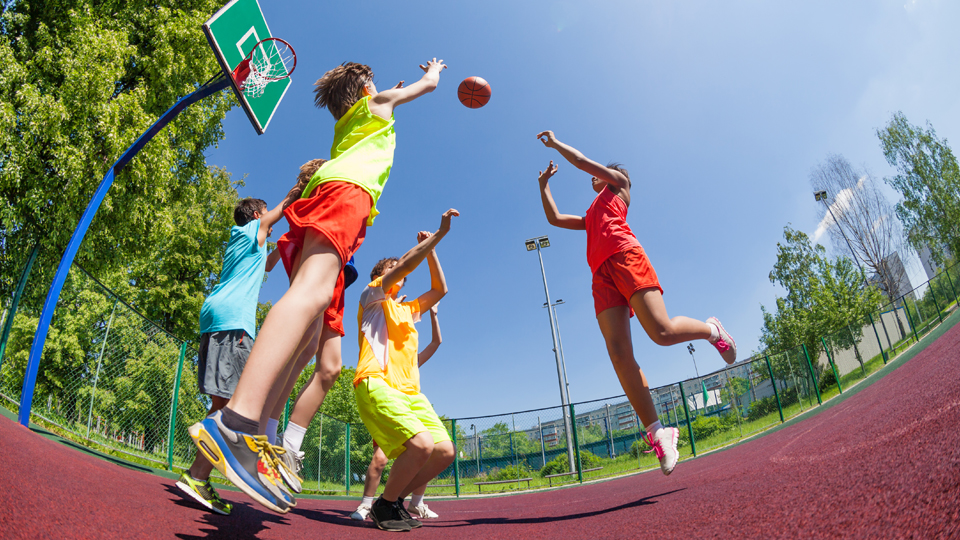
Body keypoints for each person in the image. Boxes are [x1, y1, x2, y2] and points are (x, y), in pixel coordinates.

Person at [188, 58, 448, 514]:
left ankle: (249, 426)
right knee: (308, 295)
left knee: (307, 306)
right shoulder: (378, 106)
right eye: (375, 85)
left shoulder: (354, 120)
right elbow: (426, 86)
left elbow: (380, 103)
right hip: (347, 195)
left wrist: (385, 94)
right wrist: (436, 74)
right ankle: (238, 422)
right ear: (368, 89)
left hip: (332, 192)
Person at [534, 130, 737, 476]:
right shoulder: (591, 216)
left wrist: (555, 144)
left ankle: (711, 329)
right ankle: (659, 432)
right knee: (618, 353)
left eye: (599, 174)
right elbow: (553, 220)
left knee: (661, 331)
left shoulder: (618, 185)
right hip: (601, 274)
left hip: (625, 256)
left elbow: (582, 162)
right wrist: (543, 187)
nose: (593, 178)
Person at [175, 191, 298, 515]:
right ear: (258, 216)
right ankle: (198, 475)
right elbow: (282, 210)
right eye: (266, 215)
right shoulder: (248, 231)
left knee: (224, 402)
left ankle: (197, 476)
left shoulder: (250, 245)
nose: (270, 221)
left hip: (217, 319)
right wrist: (301, 187)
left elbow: (270, 262)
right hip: (232, 323)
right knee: (236, 405)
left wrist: (290, 239)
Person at [354, 211, 458, 532]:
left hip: (412, 394)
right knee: (420, 445)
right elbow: (405, 265)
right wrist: (437, 236)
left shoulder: (408, 310)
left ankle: (393, 500)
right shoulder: (373, 295)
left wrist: (432, 249)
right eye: (392, 268)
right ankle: (381, 504)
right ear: (382, 274)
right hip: (377, 383)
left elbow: (440, 290)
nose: (399, 271)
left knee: (443, 451)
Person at [350, 301, 442, 522]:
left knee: (426, 451)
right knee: (380, 458)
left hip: (408, 407)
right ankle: (365, 504)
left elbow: (436, 342)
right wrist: (393, 309)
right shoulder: (386, 359)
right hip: (389, 405)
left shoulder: (412, 363)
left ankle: (416, 503)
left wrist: (433, 315)